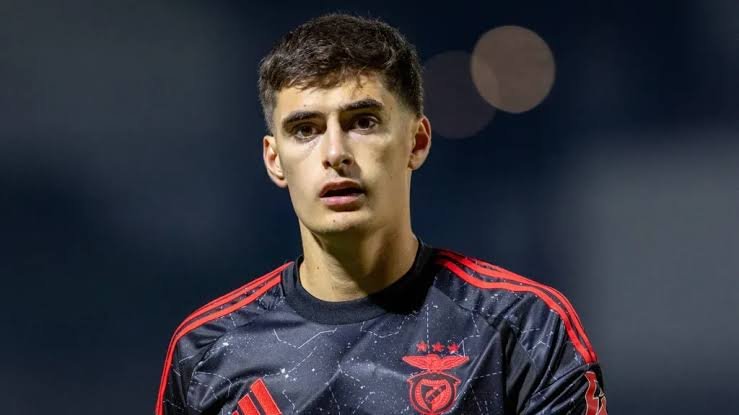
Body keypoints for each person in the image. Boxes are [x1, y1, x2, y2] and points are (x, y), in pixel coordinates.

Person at [155, 13, 607, 415]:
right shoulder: (207, 351)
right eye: (305, 129)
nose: (335, 153)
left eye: (363, 122)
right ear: (275, 160)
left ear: (417, 142)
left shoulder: (524, 330)